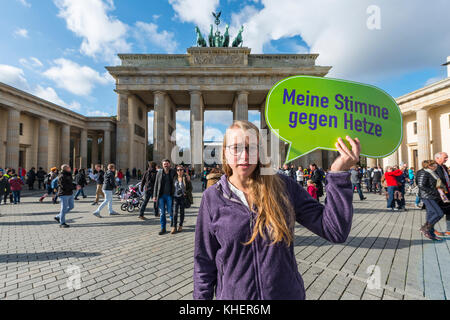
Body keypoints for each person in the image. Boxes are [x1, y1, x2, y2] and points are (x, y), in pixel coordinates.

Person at [193, 121, 359, 300]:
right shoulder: (212, 198)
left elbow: (335, 230)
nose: (245, 155)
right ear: (225, 152)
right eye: (236, 148)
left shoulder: (283, 186)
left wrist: (337, 173)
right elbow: (204, 263)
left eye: (252, 147)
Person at [417, 160, 445, 241]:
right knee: (439, 213)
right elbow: (421, 185)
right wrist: (435, 192)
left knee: (431, 214)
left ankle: (431, 234)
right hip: (427, 196)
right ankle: (425, 228)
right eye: (434, 165)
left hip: (433, 196)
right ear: (429, 166)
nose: (436, 166)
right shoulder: (423, 172)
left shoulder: (432, 172)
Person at [153, 159, 176, 235]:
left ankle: (173, 226)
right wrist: (154, 195)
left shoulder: (173, 172)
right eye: (164, 164)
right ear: (162, 165)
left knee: (170, 211)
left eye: (167, 164)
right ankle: (163, 228)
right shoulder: (159, 172)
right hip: (161, 196)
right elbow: (156, 184)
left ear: (169, 164)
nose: (166, 165)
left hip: (169, 195)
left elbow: (181, 175)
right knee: (162, 213)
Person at [172, 165, 193, 234]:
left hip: (182, 197)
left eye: (181, 170)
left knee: (182, 212)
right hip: (175, 197)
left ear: (183, 171)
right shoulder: (174, 178)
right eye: (178, 170)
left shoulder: (186, 178)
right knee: (175, 212)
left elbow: (190, 188)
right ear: (176, 171)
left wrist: (185, 193)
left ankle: (180, 225)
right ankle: (174, 226)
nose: (179, 171)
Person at [433, 152, 450, 237]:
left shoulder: (443, 167)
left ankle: (448, 230)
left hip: (447, 192)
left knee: (449, 211)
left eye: (447, 157)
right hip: (439, 193)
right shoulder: (434, 167)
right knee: (438, 212)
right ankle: (430, 228)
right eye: (445, 157)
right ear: (437, 158)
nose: (447, 159)